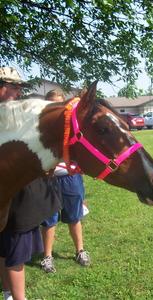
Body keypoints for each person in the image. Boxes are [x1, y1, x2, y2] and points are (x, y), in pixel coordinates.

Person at [0, 67, 61, 300]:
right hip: (15, 196)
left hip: (23, 192)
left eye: (20, 87)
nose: (19, 92)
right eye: (14, 87)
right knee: (13, 247)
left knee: (9, 246)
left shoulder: (20, 115)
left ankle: (8, 293)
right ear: (1, 87)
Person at [40, 89, 90, 274]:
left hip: (71, 179)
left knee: (74, 217)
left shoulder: (73, 127)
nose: (57, 108)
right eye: (52, 104)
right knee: (48, 221)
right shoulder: (41, 128)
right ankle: (47, 256)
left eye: (60, 104)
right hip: (48, 180)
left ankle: (80, 251)